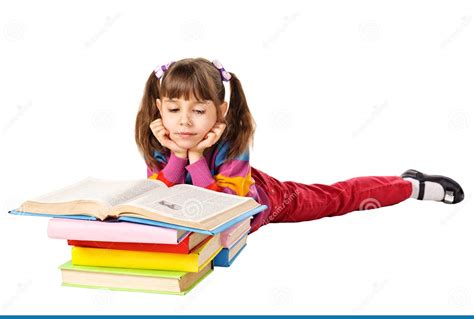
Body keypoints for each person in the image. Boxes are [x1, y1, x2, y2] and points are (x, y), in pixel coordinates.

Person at [135, 57, 464, 234]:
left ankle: (412, 186)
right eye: (174, 109)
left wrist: (196, 161)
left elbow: (226, 209)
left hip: (268, 199)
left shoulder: (232, 143)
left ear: (220, 111)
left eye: (198, 110)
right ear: (160, 108)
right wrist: (178, 157)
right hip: (206, 204)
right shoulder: (164, 140)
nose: (184, 122)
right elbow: (160, 196)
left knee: (335, 198)